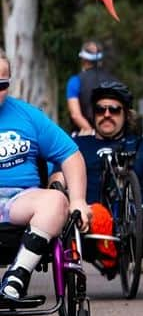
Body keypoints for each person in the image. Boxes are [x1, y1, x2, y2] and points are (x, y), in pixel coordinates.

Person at [60, 80, 143, 273]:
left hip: (141, 226)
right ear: (93, 113)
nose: (106, 115)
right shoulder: (75, 146)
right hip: (90, 222)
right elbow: (58, 179)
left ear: (125, 114)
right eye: (100, 109)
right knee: (96, 213)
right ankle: (108, 256)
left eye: (114, 110)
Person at [0, 52, 91, 300]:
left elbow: (71, 155)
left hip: (20, 200)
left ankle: (17, 276)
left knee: (56, 200)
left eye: (1, 86)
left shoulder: (28, 116)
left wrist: (79, 201)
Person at [65, 40, 114, 136]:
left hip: (84, 136)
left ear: (83, 59)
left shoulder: (75, 81)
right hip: (110, 135)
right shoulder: (114, 81)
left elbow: (75, 115)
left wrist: (91, 132)